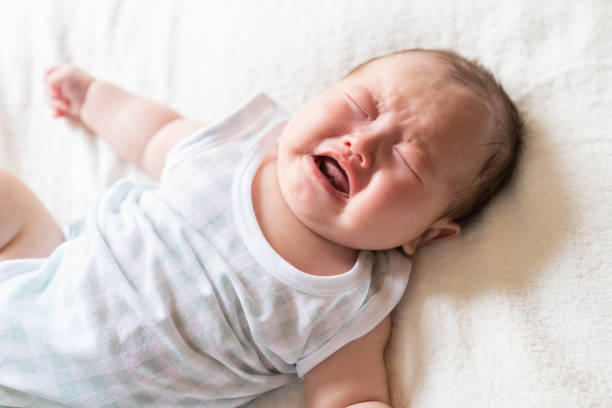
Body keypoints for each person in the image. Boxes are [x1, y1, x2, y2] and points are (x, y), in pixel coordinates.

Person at [0, 48, 523, 407]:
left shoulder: (349, 305)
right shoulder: (231, 153)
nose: (360, 145)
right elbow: (153, 133)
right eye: (361, 108)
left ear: (427, 234)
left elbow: (345, 394)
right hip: (38, 285)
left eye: (407, 164)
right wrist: (94, 98)